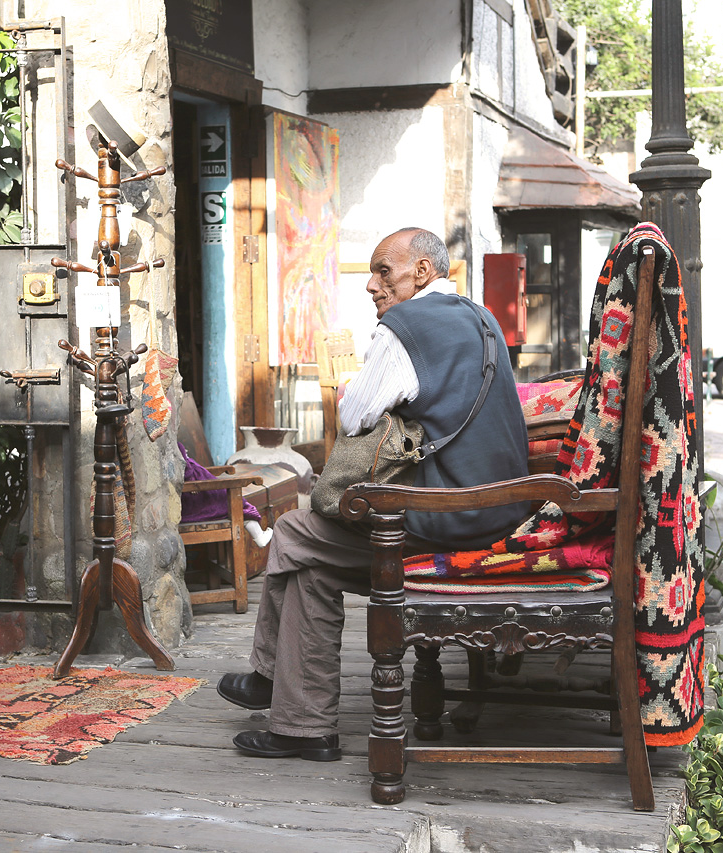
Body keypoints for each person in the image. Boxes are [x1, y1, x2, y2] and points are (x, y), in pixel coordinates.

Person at [217, 227, 531, 761]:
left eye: (384, 271)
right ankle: (301, 726)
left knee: (293, 530)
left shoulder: (407, 324)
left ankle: (272, 681)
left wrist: (355, 387)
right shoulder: (480, 319)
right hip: (500, 508)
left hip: (449, 515)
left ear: (423, 273)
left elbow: (355, 412)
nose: (371, 286)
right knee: (312, 571)